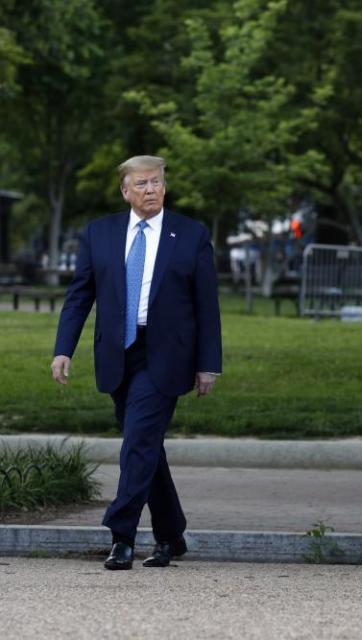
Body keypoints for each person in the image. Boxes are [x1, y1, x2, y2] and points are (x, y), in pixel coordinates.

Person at [50, 155, 222, 570]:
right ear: (125, 190)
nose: (151, 190)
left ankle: (121, 534)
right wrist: (63, 348)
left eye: (158, 183)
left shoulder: (191, 234)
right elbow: (80, 295)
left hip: (167, 355)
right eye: (142, 184)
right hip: (118, 353)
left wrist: (208, 363)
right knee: (146, 447)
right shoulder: (100, 234)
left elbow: (206, 306)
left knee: (138, 443)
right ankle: (170, 535)